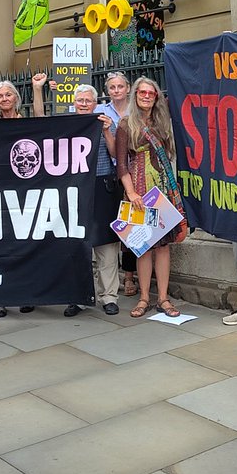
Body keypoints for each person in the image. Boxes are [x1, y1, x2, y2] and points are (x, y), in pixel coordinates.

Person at [116, 76, 188, 318]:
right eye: (142, 93)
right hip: (138, 191)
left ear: (156, 97)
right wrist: (131, 192)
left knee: (163, 246)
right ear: (135, 95)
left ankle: (164, 298)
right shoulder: (126, 125)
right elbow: (121, 164)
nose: (146, 96)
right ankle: (144, 297)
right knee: (144, 247)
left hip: (162, 190)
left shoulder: (162, 123)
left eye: (151, 93)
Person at [0, 72, 48, 318]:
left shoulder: (26, 122)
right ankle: (0, 298)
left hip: (26, 193)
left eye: (8, 94)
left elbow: (41, 119)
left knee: (26, 245)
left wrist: (37, 88)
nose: (4, 99)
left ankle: (25, 293)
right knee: (0, 246)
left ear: (16, 97)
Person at [69, 83, 122, 316]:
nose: (83, 104)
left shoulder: (105, 122)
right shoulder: (66, 125)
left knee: (106, 245)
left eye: (88, 100)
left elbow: (115, 154)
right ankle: (78, 295)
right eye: (80, 100)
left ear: (95, 103)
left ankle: (108, 296)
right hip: (75, 188)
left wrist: (107, 131)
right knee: (76, 244)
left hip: (102, 185)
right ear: (74, 103)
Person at [99, 72, 138, 298]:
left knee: (133, 224)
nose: (116, 91)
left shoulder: (136, 110)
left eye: (120, 86)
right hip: (112, 175)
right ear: (107, 91)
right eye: (112, 87)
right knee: (118, 225)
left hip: (135, 173)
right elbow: (74, 115)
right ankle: (122, 275)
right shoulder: (100, 111)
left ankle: (130, 275)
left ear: (128, 88)